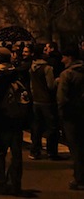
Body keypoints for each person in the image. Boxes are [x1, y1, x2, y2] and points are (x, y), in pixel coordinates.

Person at [0, 47, 26, 195]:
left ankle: (0, 183)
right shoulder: (17, 73)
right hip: (17, 118)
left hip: (1, 119)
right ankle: (15, 183)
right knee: (16, 153)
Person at [56, 45, 84, 191]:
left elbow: (62, 98)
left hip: (71, 115)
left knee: (76, 148)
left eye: (64, 57)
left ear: (70, 57)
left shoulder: (67, 74)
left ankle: (79, 179)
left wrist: (61, 115)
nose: (62, 60)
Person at [29, 43, 61, 160]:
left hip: (36, 100)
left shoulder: (32, 67)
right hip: (47, 100)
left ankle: (35, 150)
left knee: (37, 126)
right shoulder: (47, 68)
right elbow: (51, 85)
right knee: (52, 127)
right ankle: (51, 152)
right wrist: (57, 80)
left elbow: (32, 86)